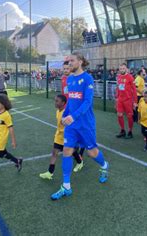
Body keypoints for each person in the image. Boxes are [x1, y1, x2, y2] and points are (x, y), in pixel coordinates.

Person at [50, 52, 109, 201]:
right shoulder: (69, 79)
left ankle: (104, 166)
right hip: (72, 125)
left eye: (72, 61)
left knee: (92, 153)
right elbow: (70, 101)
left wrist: (73, 116)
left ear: (81, 62)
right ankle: (66, 186)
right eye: (68, 61)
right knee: (67, 151)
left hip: (85, 124)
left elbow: (88, 102)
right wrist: (65, 115)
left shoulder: (87, 78)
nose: (69, 63)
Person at [39, 95, 84, 180]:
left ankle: (80, 162)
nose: (55, 102)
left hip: (67, 137)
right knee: (54, 153)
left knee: (72, 152)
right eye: (55, 100)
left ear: (63, 103)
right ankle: (50, 172)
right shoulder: (57, 111)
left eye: (57, 101)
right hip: (59, 136)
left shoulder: (67, 113)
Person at [115, 63, 137, 139]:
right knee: (119, 114)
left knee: (129, 116)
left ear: (126, 69)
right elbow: (118, 87)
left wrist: (135, 102)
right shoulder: (118, 77)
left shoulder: (130, 77)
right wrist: (117, 97)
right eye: (120, 69)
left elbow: (134, 90)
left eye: (123, 68)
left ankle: (130, 131)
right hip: (120, 99)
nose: (122, 70)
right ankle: (122, 130)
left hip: (128, 100)